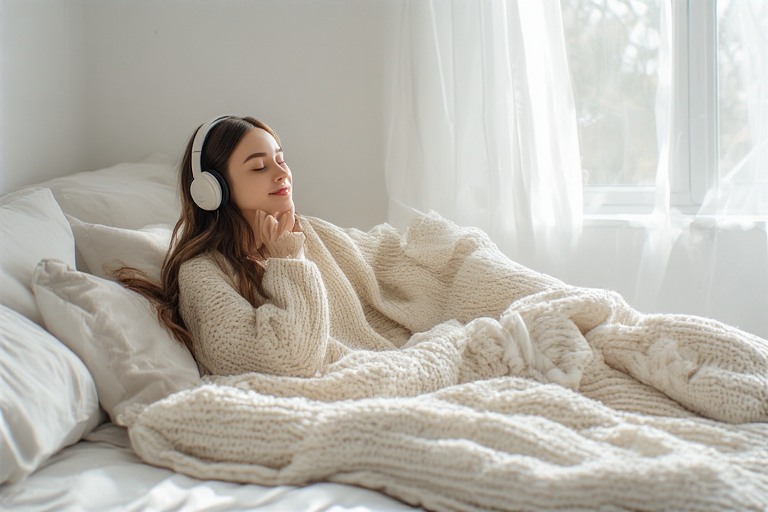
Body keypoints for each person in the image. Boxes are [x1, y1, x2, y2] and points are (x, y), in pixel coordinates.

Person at [118, 114, 768, 423]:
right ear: (212, 190)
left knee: (599, 326)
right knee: (575, 361)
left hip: (440, 315)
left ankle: (736, 383)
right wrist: (288, 263)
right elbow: (285, 360)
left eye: (282, 157)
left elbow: (376, 262)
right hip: (400, 364)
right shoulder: (204, 274)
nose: (281, 172)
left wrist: (447, 252)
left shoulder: (309, 234)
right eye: (258, 165)